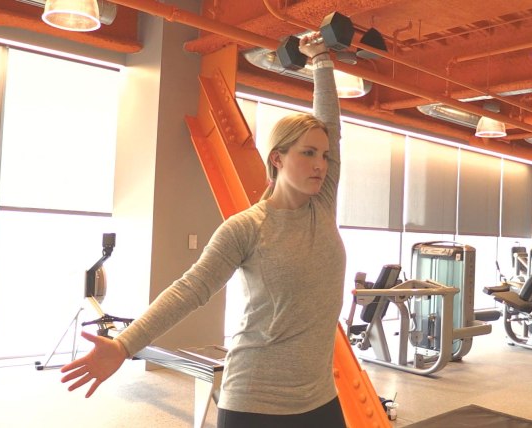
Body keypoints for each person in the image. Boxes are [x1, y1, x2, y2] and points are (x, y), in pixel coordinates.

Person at [61, 33, 346, 428]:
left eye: (325, 155)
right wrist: (125, 344)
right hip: (256, 401)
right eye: (308, 153)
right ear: (277, 158)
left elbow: (331, 123)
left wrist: (321, 61)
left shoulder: (323, 204)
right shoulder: (247, 228)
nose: (321, 164)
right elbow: (188, 290)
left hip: (320, 398)